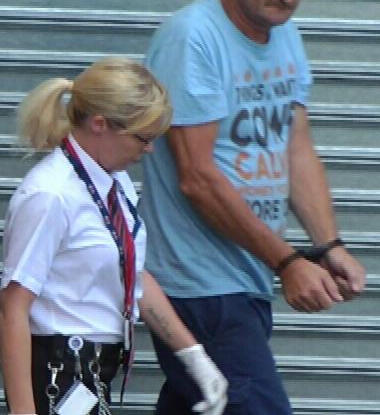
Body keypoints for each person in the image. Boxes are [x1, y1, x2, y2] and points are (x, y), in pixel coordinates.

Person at [140, 0, 367, 414]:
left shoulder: (285, 35)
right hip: (199, 283)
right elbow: (197, 178)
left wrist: (328, 245)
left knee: (205, 402)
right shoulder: (192, 37)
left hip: (246, 279)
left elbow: (295, 148)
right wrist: (286, 261)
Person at [0, 57, 228, 415]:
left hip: (94, 374)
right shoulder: (51, 195)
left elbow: (131, 274)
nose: (150, 149)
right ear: (99, 124)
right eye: (143, 137)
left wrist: (193, 355)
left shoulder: (116, 183)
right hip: (59, 371)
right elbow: (13, 307)